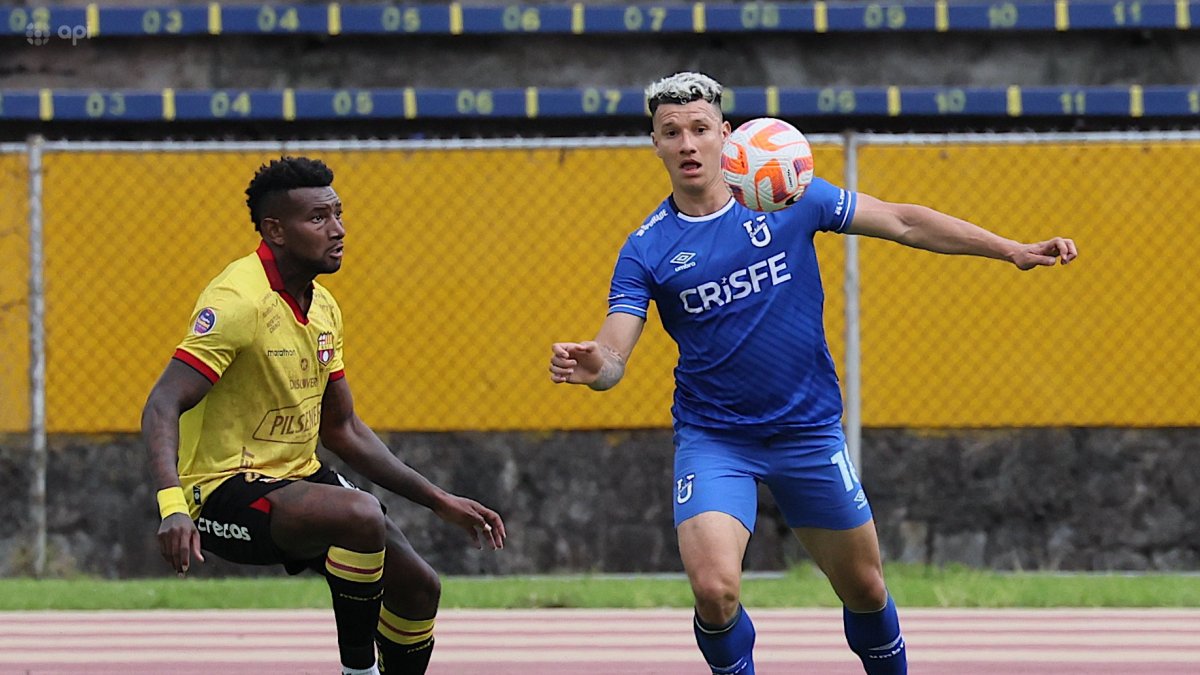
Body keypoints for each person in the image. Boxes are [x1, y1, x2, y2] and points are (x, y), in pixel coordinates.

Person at [548, 72, 1077, 675]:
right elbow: (614, 355)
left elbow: (903, 221)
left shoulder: (789, 196)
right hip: (716, 439)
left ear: (726, 134)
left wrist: (1010, 249)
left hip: (807, 432)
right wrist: (597, 365)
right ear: (656, 144)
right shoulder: (646, 248)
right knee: (715, 592)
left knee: (866, 589)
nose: (688, 144)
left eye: (700, 129)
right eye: (672, 132)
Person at [142, 156, 506, 675]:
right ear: (276, 231)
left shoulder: (323, 308)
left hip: (298, 481)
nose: (338, 230)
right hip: (222, 492)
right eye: (318, 218)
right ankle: (358, 670)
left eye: (338, 214)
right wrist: (172, 506)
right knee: (359, 516)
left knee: (419, 588)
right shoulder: (238, 301)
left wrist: (438, 500)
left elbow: (343, 429)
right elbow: (162, 402)